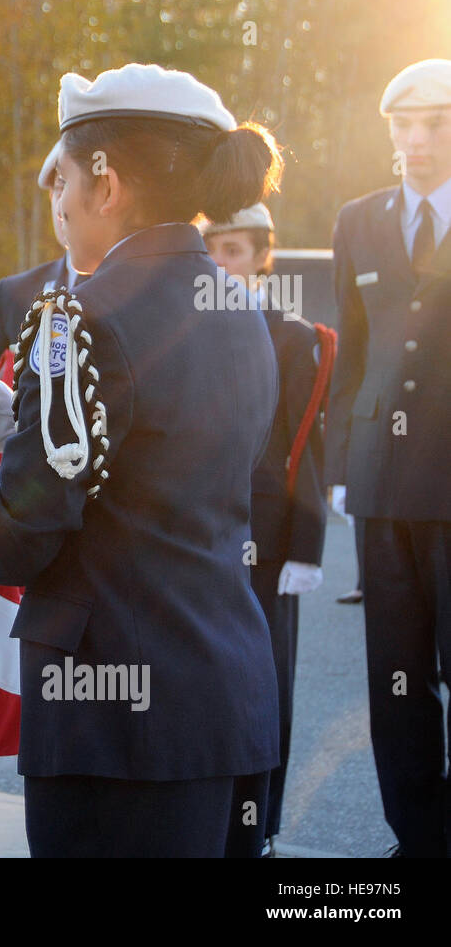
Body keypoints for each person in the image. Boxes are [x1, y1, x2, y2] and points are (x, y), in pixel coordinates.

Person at [0, 63, 283, 857]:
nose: (58, 199)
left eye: (65, 178)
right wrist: (31, 420)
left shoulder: (72, 318)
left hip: (117, 729)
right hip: (224, 702)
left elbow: (15, 539)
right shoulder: (239, 308)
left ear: (107, 182)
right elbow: (167, 459)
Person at [324, 57, 451, 858]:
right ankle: (420, 839)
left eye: (435, 125)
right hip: (381, 479)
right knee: (396, 675)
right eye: (405, 126)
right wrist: (341, 465)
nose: (418, 141)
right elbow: (353, 351)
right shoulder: (359, 220)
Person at [201, 203, 332, 857]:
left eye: (235, 250)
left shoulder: (291, 335)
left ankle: (257, 825)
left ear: (261, 257)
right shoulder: (185, 328)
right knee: (199, 679)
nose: (222, 262)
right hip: (194, 530)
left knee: (263, 683)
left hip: (267, 535)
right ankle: (202, 817)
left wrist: (307, 544)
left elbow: (305, 442)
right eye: (214, 249)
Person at [0, 140, 85, 367]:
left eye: (74, 186)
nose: (62, 204)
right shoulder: (13, 295)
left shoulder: (135, 293)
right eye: (59, 187)